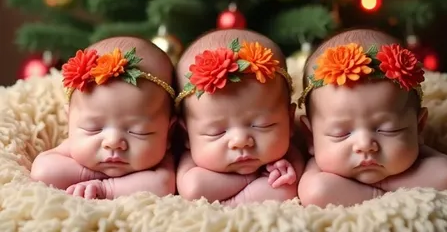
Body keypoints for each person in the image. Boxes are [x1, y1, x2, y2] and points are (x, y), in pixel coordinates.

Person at [298, 27, 447, 207]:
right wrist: (385, 190)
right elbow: (315, 192)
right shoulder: (320, 169)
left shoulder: (414, 154)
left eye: (388, 130)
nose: (365, 145)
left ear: (419, 127)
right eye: (341, 133)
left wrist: (377, 187)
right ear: (311, 137)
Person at [30, 35, 176, 199]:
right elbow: (43, 170)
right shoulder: (73, 146)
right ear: (69, 120)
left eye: (138, 132)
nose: (112, 142)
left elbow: (162, 185)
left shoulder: (162, 158)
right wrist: (89, 174)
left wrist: (105, 187)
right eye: (93, 129)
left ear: (169, 132)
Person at [176, 28, 303, 206]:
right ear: (186, 135)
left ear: (289, 121)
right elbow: (192, 190)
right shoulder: (191, 158)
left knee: (284, 187)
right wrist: (252, 177)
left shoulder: (290, 151)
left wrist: (290, 171)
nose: (240, 141)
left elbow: (292, 184)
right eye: (216, 132)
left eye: (263, 125)